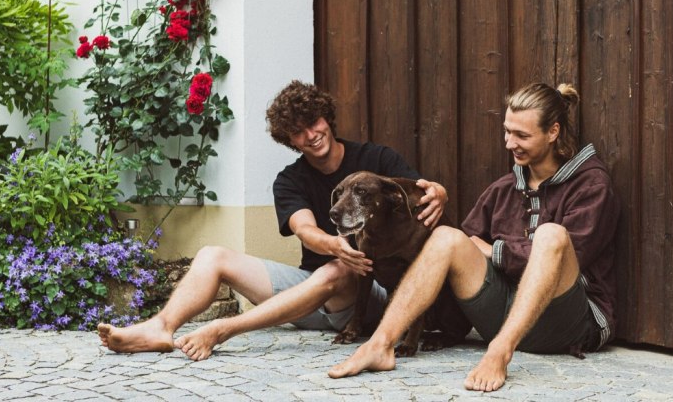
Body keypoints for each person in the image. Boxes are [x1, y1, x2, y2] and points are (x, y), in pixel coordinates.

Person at [98, 80, 453, 360]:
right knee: (212, 255)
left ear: (327, 118)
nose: (311, 135)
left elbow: (420, 191)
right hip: (307, 296)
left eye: (314, 122)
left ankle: (223, 330)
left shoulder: (377, 158)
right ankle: (161, 327)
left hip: (372, 294)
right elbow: (305, 229)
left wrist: (439, 191)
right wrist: (332, 245)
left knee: (340, 269)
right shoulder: (289, 180)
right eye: (297, 132)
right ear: (289, 140)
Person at [328, 82, 621, 392]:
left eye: (522, 135)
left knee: (551, 237)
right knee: (445, 237)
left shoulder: (591, 185)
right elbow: (462, 245)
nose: (510, 143)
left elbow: (572, 255)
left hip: (567, 323)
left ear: (553, 132)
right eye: (507, 131)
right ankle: (381, 344)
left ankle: (499, 353)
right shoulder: (504, 188)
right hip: (502, 314)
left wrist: (495, 252)